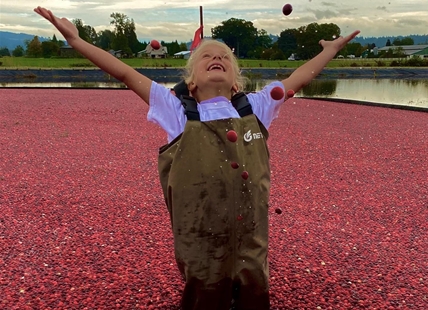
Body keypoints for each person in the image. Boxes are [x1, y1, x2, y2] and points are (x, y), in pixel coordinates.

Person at [34, 6, 360, 309]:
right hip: (200, 236)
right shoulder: (177, 111)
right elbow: (123, 73)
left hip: (251, 234)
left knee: (255, 289)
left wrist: (328, 51)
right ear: (190, 80)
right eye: (207, 56)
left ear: (236, 81)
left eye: (224, 57)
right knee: (204, 288)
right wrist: (76, 41)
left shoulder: (256, 107)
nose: (216, 57)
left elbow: (297, 79)